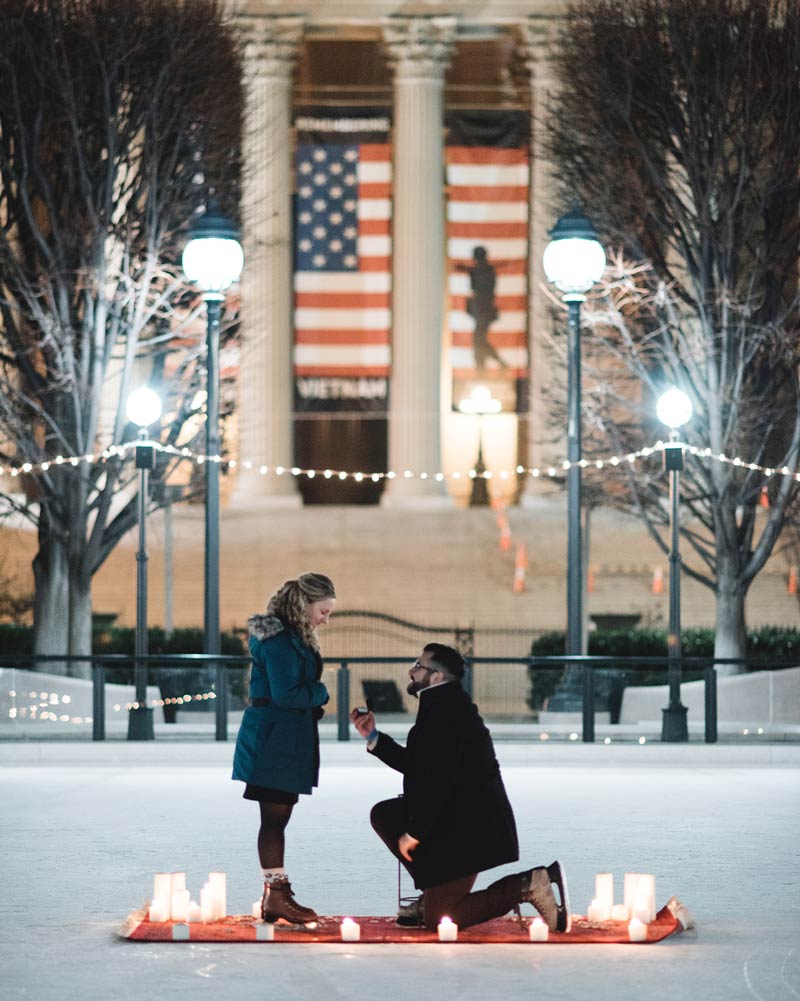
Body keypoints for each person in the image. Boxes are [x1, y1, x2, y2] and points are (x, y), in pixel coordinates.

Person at [350, 643, 570, 933]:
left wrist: (415, 834)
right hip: (454, 820)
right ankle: (433, 893)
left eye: (419, 666)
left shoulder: (447, 713)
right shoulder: (440, 705)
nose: (411, 671)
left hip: (470, 830)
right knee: (385, 815)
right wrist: (374, 737)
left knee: (439, 920)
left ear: (438, 677)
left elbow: (439, 782)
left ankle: (529, 884)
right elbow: (420, 766)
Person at [232, 572, 336, 925]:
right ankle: (276, 894)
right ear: (303, 605)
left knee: (279, 817)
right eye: (323, 611)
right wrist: (321, 694)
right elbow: (286, 693)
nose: (326, 618)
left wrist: (311, 702)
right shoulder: (279, 641)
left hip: (284, 737)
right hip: (273, 740)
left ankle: (273, 894)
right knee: (274, 819)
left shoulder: (290, 638)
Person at [456, 245, 509, 370]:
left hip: (484, 310)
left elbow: (483, 286)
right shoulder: (481, 270)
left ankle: (487, 364)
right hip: (480, 310)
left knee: (478, 340)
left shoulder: (484, 271)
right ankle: (485, 364)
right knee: (479, 340)